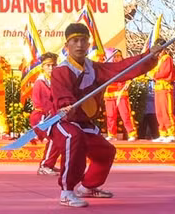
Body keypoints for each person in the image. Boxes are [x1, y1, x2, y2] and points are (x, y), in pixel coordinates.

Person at [49, 23, 162, 208]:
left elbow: (122, 68)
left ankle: (88, 186)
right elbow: (62, 96)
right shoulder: (61, 70)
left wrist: (149, 56)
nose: (79, 45)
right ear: (66, 46)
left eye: (83, 40)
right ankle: (67, 191)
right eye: (75, 41)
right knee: (73, 138)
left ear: (88, 44)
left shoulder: (95, 68)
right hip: (64, 120)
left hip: (84, 121)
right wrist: (66, 105)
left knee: (106, 152)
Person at [30, 52, 61, 175]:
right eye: (47, 65)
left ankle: (49, 164)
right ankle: (45, 165)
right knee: (56, 137)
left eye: (53, 65)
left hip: (53, 114)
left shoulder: (55, 80)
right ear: (42, 66)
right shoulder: (40, 83)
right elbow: (43, 103)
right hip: (42, 116)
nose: (51, 68)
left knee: (60, 138)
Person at [103, 50, 138, 141]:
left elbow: (130, 75)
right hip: (110, 93)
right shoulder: (108, 66)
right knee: (110, 115)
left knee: (125, 114)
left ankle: (132, 133)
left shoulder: (125, 66)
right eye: (114, 56)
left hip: (121, 92)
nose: (116, 58)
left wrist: (128, 82)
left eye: (118, 56)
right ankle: (111, 134)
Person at [151, 39, 175, 142]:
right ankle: (163, 132)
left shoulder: (167, 58)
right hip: (158, 87)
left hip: (165, 87)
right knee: (159, 111)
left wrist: (153, 74)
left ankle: (172, 133)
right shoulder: (158, 59)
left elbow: (164, 73)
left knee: (167, 111)